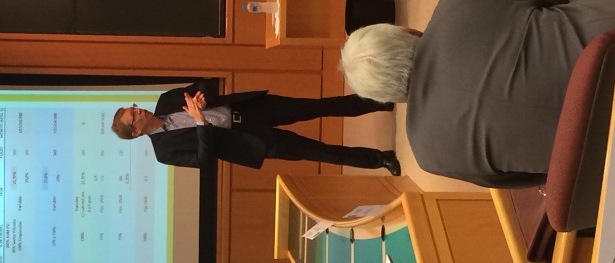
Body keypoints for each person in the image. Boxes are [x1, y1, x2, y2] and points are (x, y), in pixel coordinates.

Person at [340, 1, 615, 188]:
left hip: (608, 167)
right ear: (407, 30)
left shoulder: (430, 155)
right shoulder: (458, 7)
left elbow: (537, 178)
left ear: (394, 98)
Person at [111, 83, 401, 175]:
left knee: (318, 106)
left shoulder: (165, 100)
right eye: (133, 117)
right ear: (136, 132)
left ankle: (378, 101)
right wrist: (200, 122)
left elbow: (204, 85)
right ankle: (380, 159)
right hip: (249, 141)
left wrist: (202, 98)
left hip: (250, 109)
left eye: (134, 108)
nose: (139, 111)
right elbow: (204, 160)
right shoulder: (164, 152)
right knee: (319, 152)